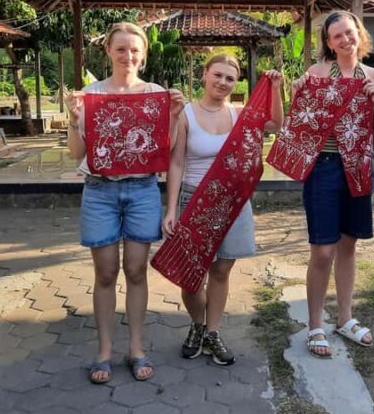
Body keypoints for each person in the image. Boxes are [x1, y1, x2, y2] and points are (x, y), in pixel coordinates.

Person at [65, 22, 185, 384]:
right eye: (120, 49)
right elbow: (76, 154)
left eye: (134, 50)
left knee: (135, 270)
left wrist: (173, 117)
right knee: (105, 273)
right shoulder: (90, 95)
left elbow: (164, 150)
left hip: (142, 189)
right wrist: (74, 120)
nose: (127, 56)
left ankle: (136, 348)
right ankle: (104, 351)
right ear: (108, 52)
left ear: (143, 54)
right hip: (99, 190)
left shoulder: (155, 94)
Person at [162, 54, 283, 365]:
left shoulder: (238, 114)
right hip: (194, 199)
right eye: (217, 75)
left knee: (221, 270)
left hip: (231, 201)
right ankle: (197, 324)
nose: (223, 82)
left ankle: (212, 332)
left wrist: (276, 89)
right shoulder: (185, 113)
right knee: (191, 275)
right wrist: (171, 209)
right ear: (205, 74)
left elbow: (274, 124)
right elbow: (175, 163)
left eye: (230, 78)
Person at [291, 10, 374, 359]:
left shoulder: (373, 75)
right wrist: (297, 92)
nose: (346, 40)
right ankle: (316, 324)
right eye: (337, 36)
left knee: (348, 245)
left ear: (359, 33)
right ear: (329, 43)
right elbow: (300, 122)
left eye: (349, 32)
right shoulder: (316, 73)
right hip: (324, 166)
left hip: (359, 164)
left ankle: (345, 317)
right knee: (322, 250)